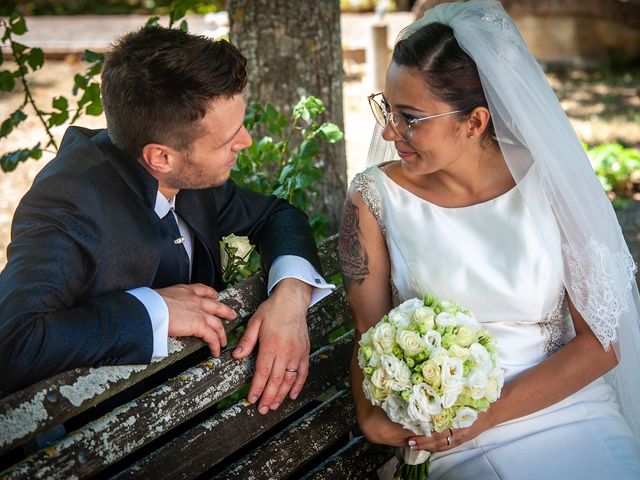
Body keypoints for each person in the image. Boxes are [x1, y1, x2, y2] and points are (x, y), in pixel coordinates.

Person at [340, 1, 640, 478]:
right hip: (451, 439)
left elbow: (601, 344)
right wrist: (372, 417)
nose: (389, 130)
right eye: (387, 109)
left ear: (475, 121)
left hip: (570, 407)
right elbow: (368, 334)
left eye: (410, 117)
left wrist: (485, 415)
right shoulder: (373, 199)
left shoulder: (551, 183)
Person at [0, 26, 334, 417]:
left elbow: (276, 215)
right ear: (161, 157)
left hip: (194, 409)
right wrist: (153, 310)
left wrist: (290, 297)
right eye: (228, 139)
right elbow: (13, 343)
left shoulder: (190, 174)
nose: (244, 141)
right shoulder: (69, 201)